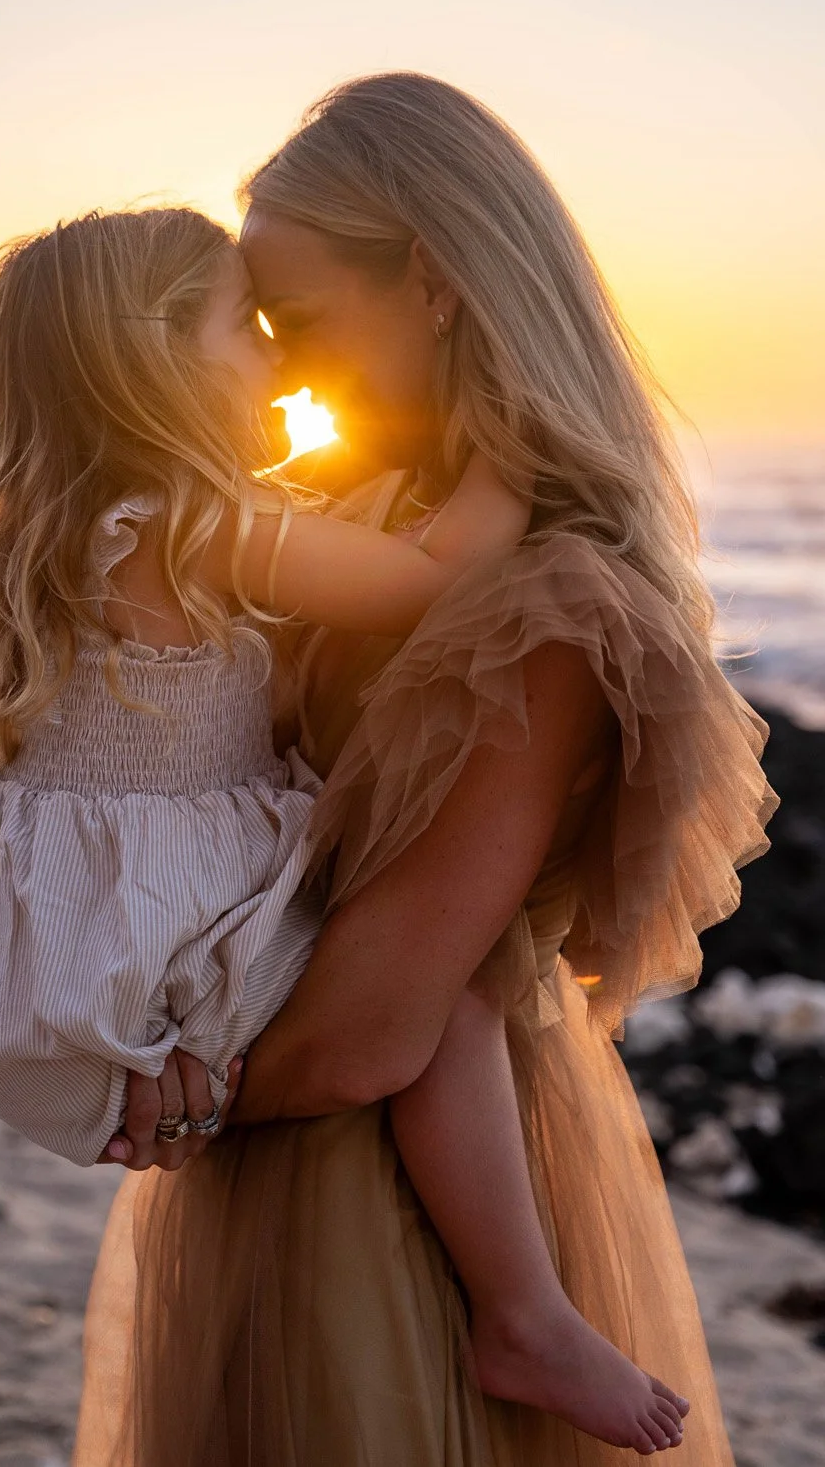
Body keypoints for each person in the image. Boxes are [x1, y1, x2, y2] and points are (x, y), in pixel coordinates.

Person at [76, 74, 777, 1467]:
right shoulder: (364, 524)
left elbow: (372, 1032)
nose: (284, 372)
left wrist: (136, 1094)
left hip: (391, 1201)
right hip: (287, 1144)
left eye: (298, 322)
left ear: (437, 283)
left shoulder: (547, 605)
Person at [0, 202, 688, 1449]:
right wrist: (520, 443)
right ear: (158, 361)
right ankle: (525, 1311)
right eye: (249, 329)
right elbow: (432, 576)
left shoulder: (62, 535)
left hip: (76, 937)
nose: (280, 363)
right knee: (455, 1002)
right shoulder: (199, 524)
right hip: (165, 923)